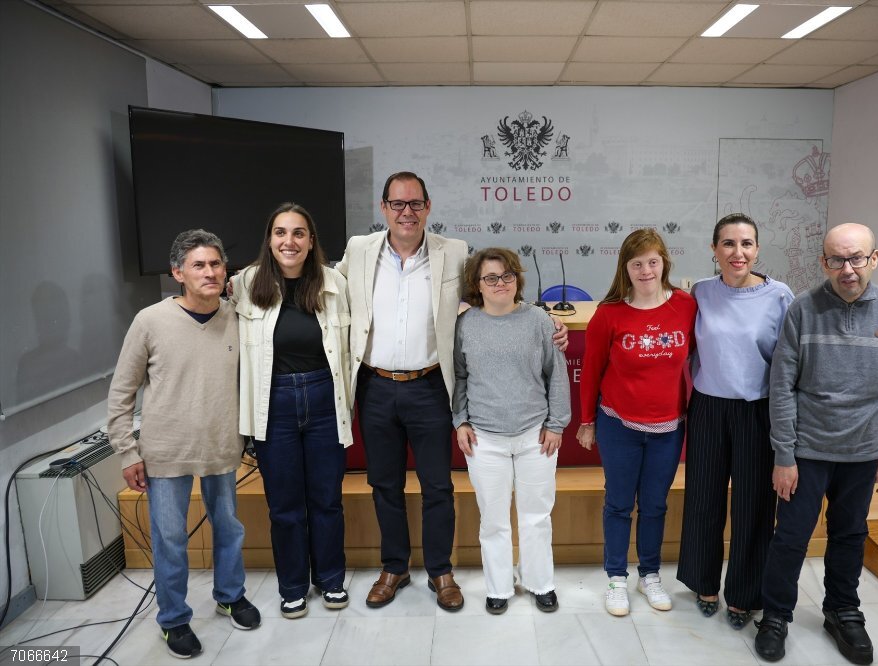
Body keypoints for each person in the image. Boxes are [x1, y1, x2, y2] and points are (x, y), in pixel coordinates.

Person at [336, 171, 567, 611]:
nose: (407, 212)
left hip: (430, 386)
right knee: (384, 483)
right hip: (376, 385)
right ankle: (394, 567)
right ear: (384, 208)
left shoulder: (455, 253)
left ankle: (440, 570)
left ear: (428, 207)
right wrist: (249, 282)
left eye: (415, 203)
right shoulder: (359, 250)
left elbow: (495, 292)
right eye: (398, 204)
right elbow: (325, 285)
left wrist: (545, 320)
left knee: (437, 485)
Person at [753, 223, 878, 665]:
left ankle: (842, 610)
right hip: (807, 451)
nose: (848, 269)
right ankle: (776, 615)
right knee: (791, 537)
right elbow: (781, 385)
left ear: (874, 259)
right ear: (824, 262)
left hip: (863, 451)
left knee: (850, 534)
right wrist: (784, 454)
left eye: (857, 258)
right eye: (837, 259)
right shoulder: (802, 310)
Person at [108, 229, 260, 660]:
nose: (210, 272)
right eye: (199, 265)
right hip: (165, 451)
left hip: (222, 446)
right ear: (178, 273)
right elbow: (122, 392)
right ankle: (173, 619)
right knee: (171, 538)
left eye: (216, 264)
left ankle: (230, 595)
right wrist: (127, 451)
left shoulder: (238, 318)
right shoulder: (150, 321)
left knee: (228, 527)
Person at [230, 203, 354, 620]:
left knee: (326, 500)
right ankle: (293, 587)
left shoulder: (334, 283)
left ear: (311, 241)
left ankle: (331, 579)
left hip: (324, 400)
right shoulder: (245, 284)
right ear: (269, 240)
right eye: (280, 232)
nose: (289, 241)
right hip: (273, 403)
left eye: (299, 233)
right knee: (284, 505)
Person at [676, 213, 794, 630]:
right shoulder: (701, 292)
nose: (737, 252)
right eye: (728, 243)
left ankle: (745, 593)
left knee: (753, 506)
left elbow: (789, 363)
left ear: (757, 249)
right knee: (703, 499)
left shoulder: (780, 296)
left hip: (757, 411)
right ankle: (704, 582)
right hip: (708, 407)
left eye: (746, 244)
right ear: (714, 249)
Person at [577, 228, 697, 617]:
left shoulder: (686, 305)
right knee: (618, 503)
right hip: (619, 426)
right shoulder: (609, 313)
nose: (646, 270)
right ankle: (616, 577)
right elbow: (591, 372)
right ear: (625, 268)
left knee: (655, 505)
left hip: (668, 428)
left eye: (652, 262)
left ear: (664, 264)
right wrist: (587, 420)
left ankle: (649, 575)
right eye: (637, 264)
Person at [452, 248, 571, 615]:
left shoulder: (539, 320)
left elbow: (557, 374)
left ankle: (540, 583)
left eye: (507, 276)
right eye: (490, 278)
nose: (500, 283)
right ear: (477, 284)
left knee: (537, 515)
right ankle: (499, 587)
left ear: (517, 279)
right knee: (493, 519)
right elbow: (459, 377)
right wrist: (460, 420)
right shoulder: (464, 325)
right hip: (484, 438)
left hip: (535, 435)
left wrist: (556, 424)